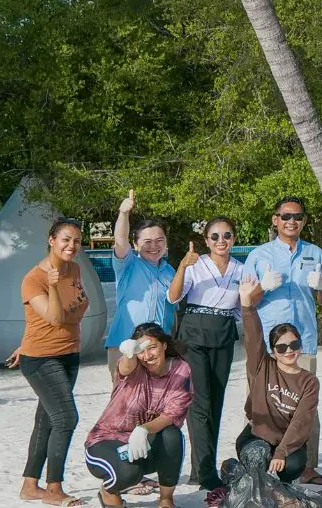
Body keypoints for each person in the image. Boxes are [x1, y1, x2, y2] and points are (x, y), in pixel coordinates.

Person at [242, 196, 322, 486]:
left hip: (303, 341)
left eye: (297, 216)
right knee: (263, 404)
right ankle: (260, 459)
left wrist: (320, 289)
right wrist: (263, 288)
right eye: (285, 216)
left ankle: (307, 466)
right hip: (269, 347)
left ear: (304, 220)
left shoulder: (316, 253)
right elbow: (246, 300)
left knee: (306, 407)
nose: (291, 221)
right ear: (275, 219)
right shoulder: (259, 255)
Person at [15, 218, 91, 507]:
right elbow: (56, 318)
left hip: (69, 354)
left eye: (77, 240)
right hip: (40, 358)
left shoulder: (74, 268)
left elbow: (78, 309)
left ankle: (29, 486)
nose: (72, 245)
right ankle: (54, 488)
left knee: (46, 420)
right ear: (51, 240)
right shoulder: (34, 279)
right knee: (66, 418)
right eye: (65, 239)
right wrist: (54, 288)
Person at [167, 218, 246, 493]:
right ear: (206, 240)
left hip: (223, 334)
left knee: (216, 402)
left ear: (234, 238)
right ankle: (206, 473)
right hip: (194, 335)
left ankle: (201, 467)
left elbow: (240, 308)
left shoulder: (241, 269)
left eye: (227, 235)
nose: (221, 240)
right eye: (215, 236)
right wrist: (181, 266)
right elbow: (173, 297)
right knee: (199, 404)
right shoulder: (195, 264)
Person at [84, 324, 192, 508]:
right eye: (142, 350)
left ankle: (166, 500)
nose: (148, 356)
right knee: (129, 474)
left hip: (143, 443)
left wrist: (143, 429)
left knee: (172, 435)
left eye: (152, 347)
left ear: (164, 345)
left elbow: (172, 414)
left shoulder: (180, 369)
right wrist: (129, 353)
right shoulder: (135, 365)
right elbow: (126, 368)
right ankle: (108, 491)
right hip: (106, 440)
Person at [236, 275, 320, 485]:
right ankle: (250, 479)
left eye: (294, 345)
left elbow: (301, 421)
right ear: (273, 352)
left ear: (300, 346)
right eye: (282, 347)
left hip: (287, 441)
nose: (289, 351)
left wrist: (282, 452)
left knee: (292, 466)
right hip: (256, 435)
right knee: (257, 455)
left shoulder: (309, 381)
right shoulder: (263, 366)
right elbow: (253, 337)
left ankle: (280, 485)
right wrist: (247, 305)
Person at [105, 192, 176, 380]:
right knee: (124, 401)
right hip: (124, 341)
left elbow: (173, 310)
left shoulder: (171, 272)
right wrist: (123, 213)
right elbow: (120, 240)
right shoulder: (127, 265)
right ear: (136, 245)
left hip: (157, 346)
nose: (154, 246)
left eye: (159, 240)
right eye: (147, 242)